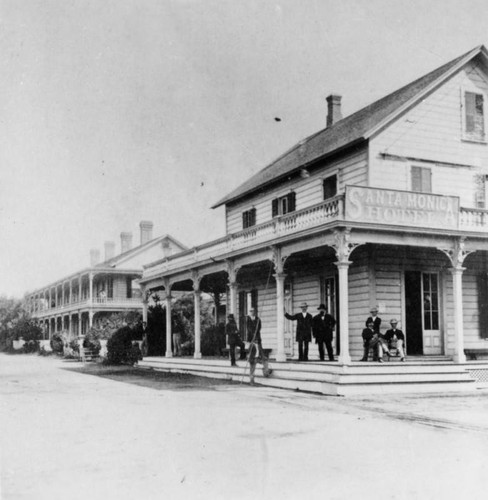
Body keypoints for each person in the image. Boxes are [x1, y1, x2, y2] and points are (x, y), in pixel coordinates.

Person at [246, 308, 272, 385]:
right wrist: (253, 337)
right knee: (252, 366)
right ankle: (251, 380)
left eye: (253, 311)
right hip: (253, 358)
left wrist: (257, 336)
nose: (252, 312)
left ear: (255, 312)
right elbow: (249, 329)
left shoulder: (258, 319)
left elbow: (259, 328)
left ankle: (266, 372)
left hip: (258, 357)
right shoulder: (248, 320)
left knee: (265, 360)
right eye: (250, 311)